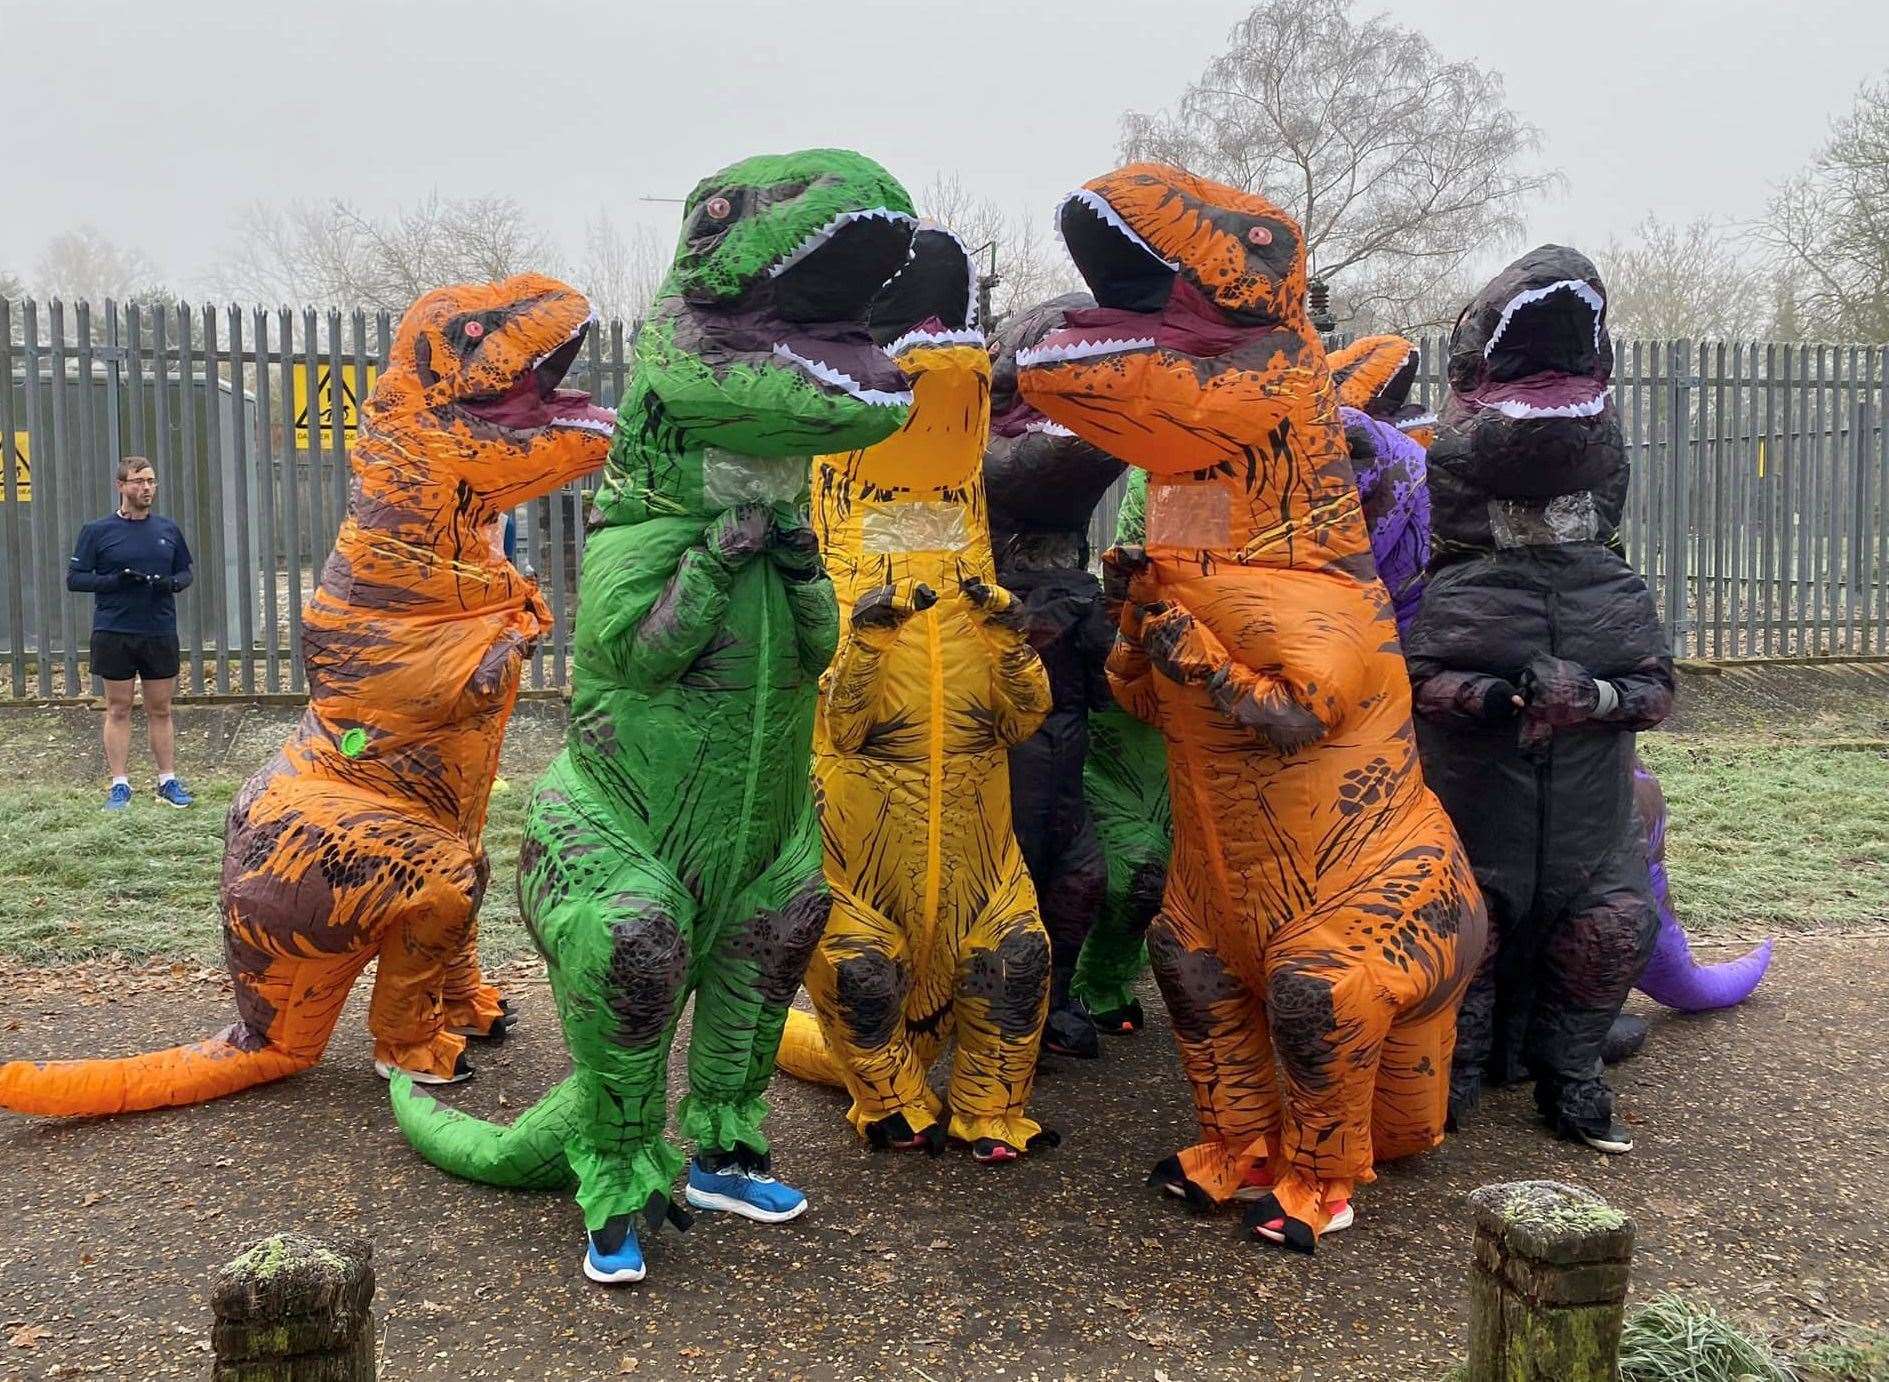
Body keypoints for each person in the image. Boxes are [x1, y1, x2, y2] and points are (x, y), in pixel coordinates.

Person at [66, 456, 194, 811]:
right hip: (114, 630)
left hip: (158, 630)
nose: (146, 488)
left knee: (161, 708)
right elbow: (75, 579)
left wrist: (171, 584)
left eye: (151, 481)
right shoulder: (97, 531)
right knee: (119, 708)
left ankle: (167, 780)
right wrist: (113, 581)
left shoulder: (167, 530)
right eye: (138, 481)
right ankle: (119, 785)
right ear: (120, 486)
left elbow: (186, 572)